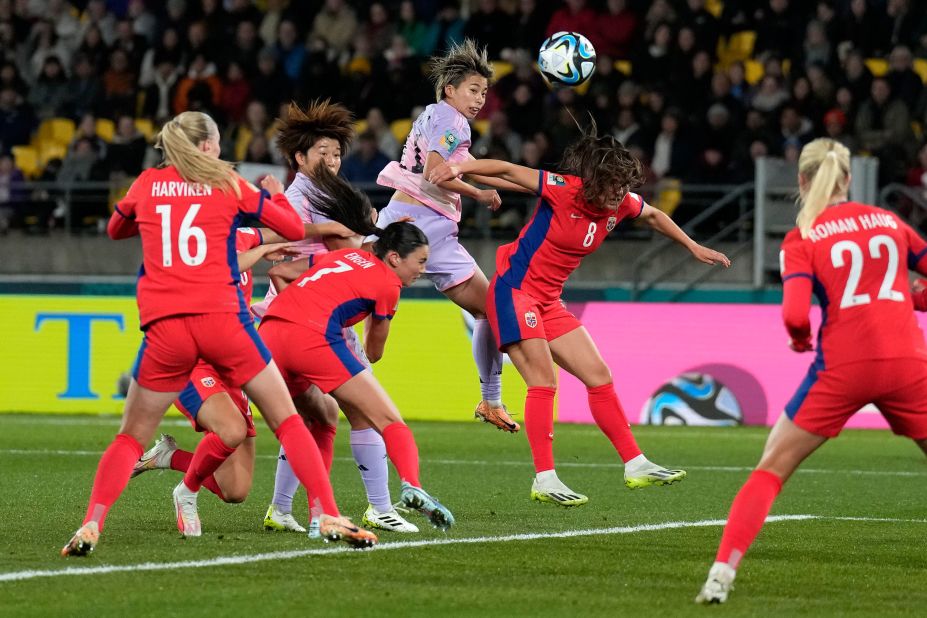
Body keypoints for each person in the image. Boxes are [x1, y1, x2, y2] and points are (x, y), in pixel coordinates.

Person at [60, 111, 377, 557]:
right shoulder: (229, 184)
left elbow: (116, 229)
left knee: (130, 436)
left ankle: (93, 522)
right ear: (208, 146)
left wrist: (151, 216)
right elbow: (288, 227)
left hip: (166, 327)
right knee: (288, 420)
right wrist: (272, 196)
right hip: (223, 322)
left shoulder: (147, 184)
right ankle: (326, 511)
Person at [427, 128, 730, 505]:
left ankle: (635, 463)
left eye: (624, 186)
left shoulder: (618, 202)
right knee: (543, 381)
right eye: (614, 185)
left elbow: (652, 214)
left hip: (549, 301)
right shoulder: (562, 187)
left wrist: (693, 246)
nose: (620, 194)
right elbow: (507, 169)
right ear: (594, 181)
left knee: (599, 376)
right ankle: (545, 478)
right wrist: (457, 167)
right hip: (515, 293)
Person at [695, 138, 927, 604]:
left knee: (770, 470)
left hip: (843, 366)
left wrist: (801, 341)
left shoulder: (803, 236)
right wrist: (910, 297)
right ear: (848, 179)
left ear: (802, 181)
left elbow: (796, 315)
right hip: (908, 362)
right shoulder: (889, 221)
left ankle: (720, 575)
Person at [254, 99, 419, 535]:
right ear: (299, 158)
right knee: (361, 414)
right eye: (322, 153)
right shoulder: (296, 197)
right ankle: (379, 507)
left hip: (311, 314)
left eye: (336, 152)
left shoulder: (328, 193)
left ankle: (283, 507)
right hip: (305, 316)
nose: (332, 160)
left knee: (318, 419)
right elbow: (281, 234)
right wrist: (332, 232)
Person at [259, 172, 455, 531]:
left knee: (315, 420)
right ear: (395, 258)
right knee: (389, 421)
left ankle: (295, 511)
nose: (423, 271)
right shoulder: (388, 285)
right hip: (313, 339)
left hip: (270, 331)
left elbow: (282, 270)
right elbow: (374, 351)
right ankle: (410, 487)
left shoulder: (346, 257)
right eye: (421, 262)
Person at [376, 38, 523, 433]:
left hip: (424, 225)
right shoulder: (451, 121)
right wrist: (479, 194)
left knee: (488, 310)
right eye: (473, 91)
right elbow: (436, 173)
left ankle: (491, 401)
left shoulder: (435, 116)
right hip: (416, 225)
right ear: (450, 90)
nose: (479, 100)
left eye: (485, 92)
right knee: (359, 295)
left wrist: (532, 186)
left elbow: (470, 167)